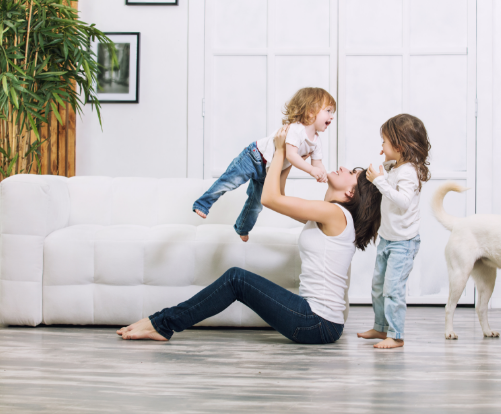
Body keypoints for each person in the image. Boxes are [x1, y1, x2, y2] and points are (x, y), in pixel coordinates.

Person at [117, 125, 382, 344]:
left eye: (353, 174)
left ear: (350, 193)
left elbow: (268, 198)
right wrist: (290, 155)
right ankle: (160, 322)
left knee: (236, 280)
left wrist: (278, 152)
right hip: (318, 322)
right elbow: (280, 196)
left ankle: (161, 323)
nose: (345, 168)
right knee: (236, 280)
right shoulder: (330, 214)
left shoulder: (334, 214)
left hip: (317, 323)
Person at [192, 87, 335, 242]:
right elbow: (292, 156)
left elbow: (317, 162)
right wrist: (312, 170)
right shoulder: (296, 129)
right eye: (328, 111)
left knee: (256, 203)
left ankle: (242, 228)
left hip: (269, 171)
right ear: (311, 111)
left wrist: (322, 174)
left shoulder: (316, 141)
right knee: (229, 182)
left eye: (333, 112)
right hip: (254, 158)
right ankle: (202, 204)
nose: (332, 117)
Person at [357, 114, 431, 349]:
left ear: (399, 145)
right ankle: (381, 328)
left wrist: (380, 180)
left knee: (393, 290)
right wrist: (384, 171)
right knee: (378, 287)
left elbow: (403, 201)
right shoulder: (397, 167)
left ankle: (396, 335)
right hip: (388, 239)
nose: (381, 147)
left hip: (403, 242)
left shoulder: (408, 172)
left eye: (384, 142)